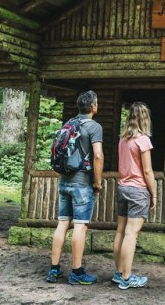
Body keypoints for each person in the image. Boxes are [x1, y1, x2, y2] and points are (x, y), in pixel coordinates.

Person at [45, 90, 104, 285]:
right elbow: (98, 155)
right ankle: (77, 272)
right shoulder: (94, 127)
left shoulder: (69, 124)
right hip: (82, 183)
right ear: (93, 107)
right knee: (80, 225)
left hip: (64, 180)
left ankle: (54, 269)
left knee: (62, 223)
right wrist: (97, 182)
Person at [112, 102, 156, 289]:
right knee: (131, 234)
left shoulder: (123, 139)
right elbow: (147, 171)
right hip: (138, 191)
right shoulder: (143, 140)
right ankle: (127, 278)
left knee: (121, 231)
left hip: (123, 188)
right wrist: (154, 194)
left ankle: (119, 273)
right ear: (145, 118)